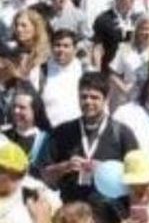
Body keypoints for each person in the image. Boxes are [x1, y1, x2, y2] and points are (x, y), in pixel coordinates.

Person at [42, 71, 139, 203]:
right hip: (71, 211)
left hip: (110, 216)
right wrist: (65, 166)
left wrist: (107, 170)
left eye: (94, 97)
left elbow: (137, 178)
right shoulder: (62, 132)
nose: (88, 101)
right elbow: (45, 176)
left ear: (106, 99)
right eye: (84, 97)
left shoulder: (122, 133)